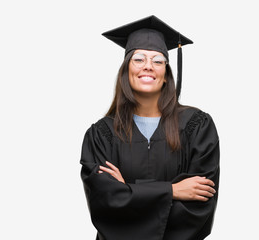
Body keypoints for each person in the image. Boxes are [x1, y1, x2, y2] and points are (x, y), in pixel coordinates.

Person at [80, 15, 220, 240]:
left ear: (166, 75)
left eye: (157, 60)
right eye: (139, 59)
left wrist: (128, 192)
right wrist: (173, 191)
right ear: (126, 70)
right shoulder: (102, 134)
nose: (148, 66)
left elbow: (199, 207)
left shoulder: (197, 127)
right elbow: (104, 203)